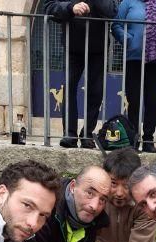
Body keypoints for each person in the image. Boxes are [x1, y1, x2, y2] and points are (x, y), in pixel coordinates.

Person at [44, 0, 117, 149]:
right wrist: (71, 7)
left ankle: (87, 134)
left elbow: (113, 11)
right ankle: (69, 134)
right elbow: (49, 8)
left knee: (95, 92)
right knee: (69, 89)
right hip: (72, 48)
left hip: (98, 49)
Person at [112, 0, 156, 153]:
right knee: (134, 100)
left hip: (155, 61)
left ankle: (148, 139)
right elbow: (116, 25)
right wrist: (127, 39)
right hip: (133, 59)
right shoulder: (127, 3)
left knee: (152, 101)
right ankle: (134, 139)